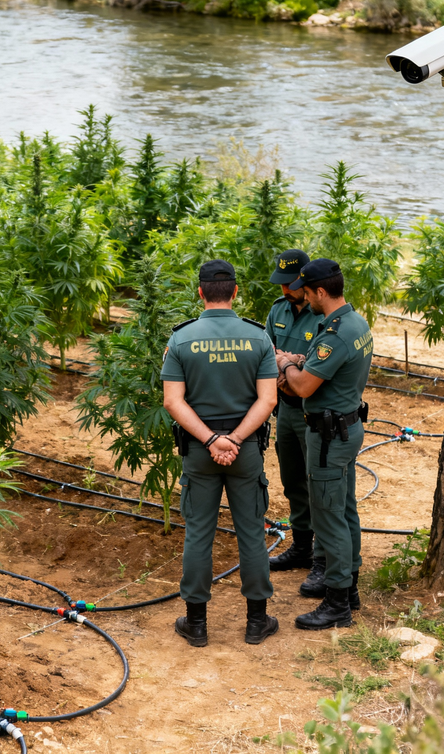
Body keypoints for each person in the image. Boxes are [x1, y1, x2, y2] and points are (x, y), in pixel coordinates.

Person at [161, 259, 278, 647]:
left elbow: (173, 402)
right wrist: (237, 439)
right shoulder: (259, 338)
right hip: (245, 453)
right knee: (252, 533)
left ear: (200, 292)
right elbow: (268, 400)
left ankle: (196, 624)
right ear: (235, 291)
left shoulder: (181, 340)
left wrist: (212, 441)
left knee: (198, 533)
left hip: (199, 451)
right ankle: (257, 621)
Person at [275, 259, 372, 630]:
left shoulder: (335, 334)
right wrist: (300, 360)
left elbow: (302, 387)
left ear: (319, 291)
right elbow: (323, 366)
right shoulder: (354, 322)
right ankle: (349, 591)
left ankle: (336, 605)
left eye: (307, 290)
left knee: (329, 517)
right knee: (345, 510)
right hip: (347, 429)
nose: (303, 297)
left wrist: (284, 364)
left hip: (329, 436)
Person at [265, 250, 327, 600]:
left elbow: (312, 371)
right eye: (283, 284)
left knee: (317, 483)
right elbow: (266, 353)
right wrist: (289, 365)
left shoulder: (322, 315)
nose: (286, 290)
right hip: (286, 409)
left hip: (313, 410)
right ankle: (302, 546)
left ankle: (322, 558)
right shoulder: (278, 310)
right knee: (292, 481)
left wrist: (288, 366)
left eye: (291, 285)